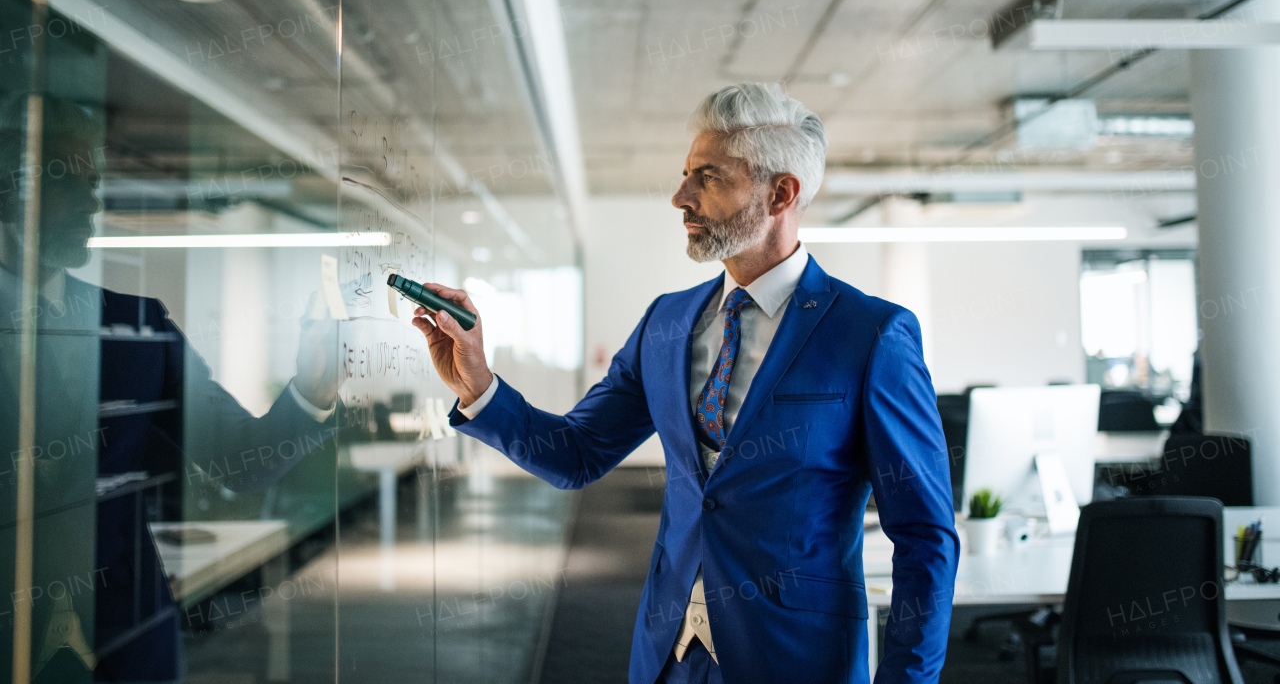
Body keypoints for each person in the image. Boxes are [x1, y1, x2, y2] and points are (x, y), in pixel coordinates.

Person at [415, 83, 959, 684]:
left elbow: (924, 537)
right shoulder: (667, 322)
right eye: (685, 175)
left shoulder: (871, 334)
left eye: (709, 177)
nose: (681, 198)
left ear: (781, 193)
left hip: (798, 659)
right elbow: (576, 455)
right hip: (668, 655)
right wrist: (479, 384)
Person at [0, 93, 343, 682]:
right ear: (12, 183)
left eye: (95, 176)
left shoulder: (140, 325)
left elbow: (239, 463)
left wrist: (311, 391)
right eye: (67, 174)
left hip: (128, 637)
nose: (92, 196)